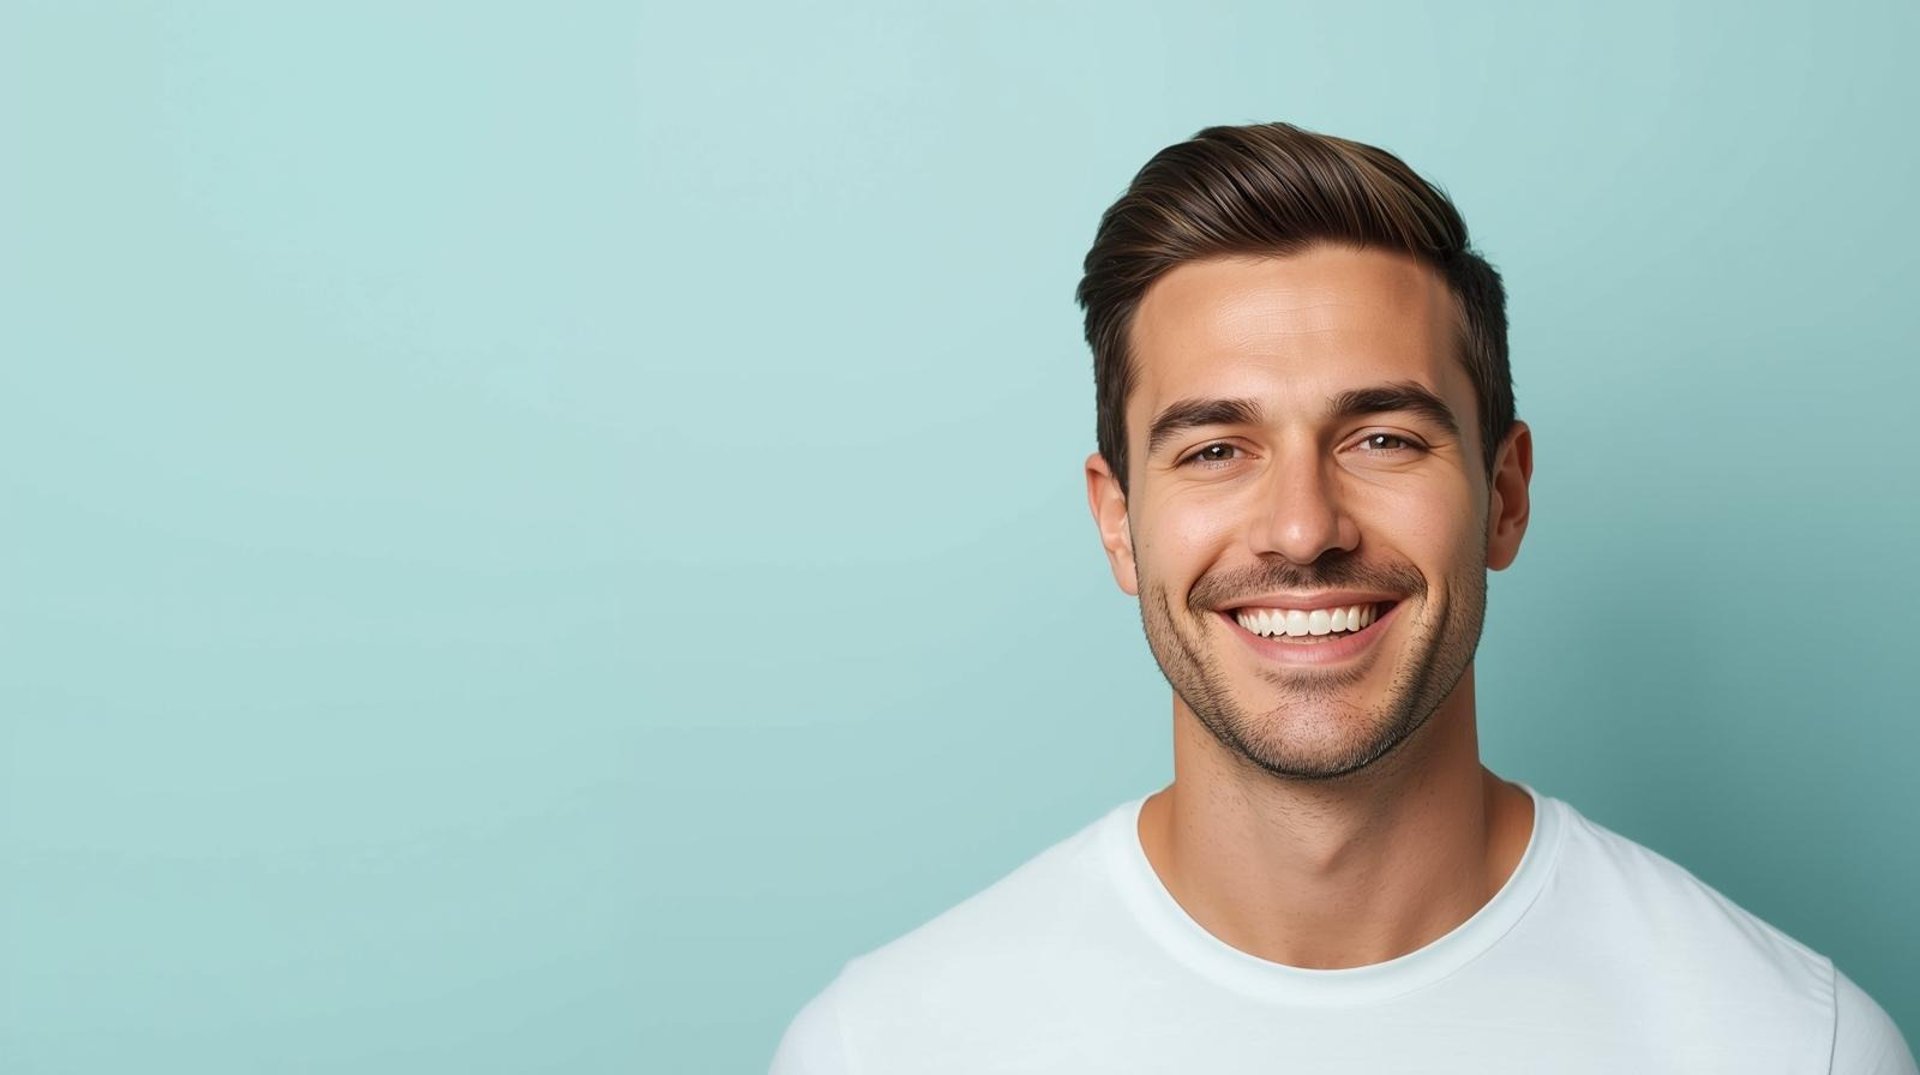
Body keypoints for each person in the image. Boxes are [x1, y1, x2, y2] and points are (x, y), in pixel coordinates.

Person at [768, 122, 1916, 1073]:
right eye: (1216, 448)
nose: (1304, 529)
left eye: (1381, 436)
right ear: (1117, 519)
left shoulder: (1789, 1045)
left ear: (1504, 494)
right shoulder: (889, 1047)